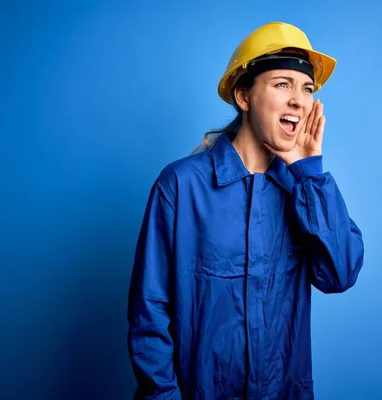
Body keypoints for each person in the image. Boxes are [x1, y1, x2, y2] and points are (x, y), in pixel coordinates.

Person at [127, 21, 365, 400]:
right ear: (243, 96)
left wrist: (310, 177)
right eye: (282, 84)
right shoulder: (181, 186)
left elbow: (340, 274)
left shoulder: (304, 189)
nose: (299, 100)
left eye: (307, 88)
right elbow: (150, 313)